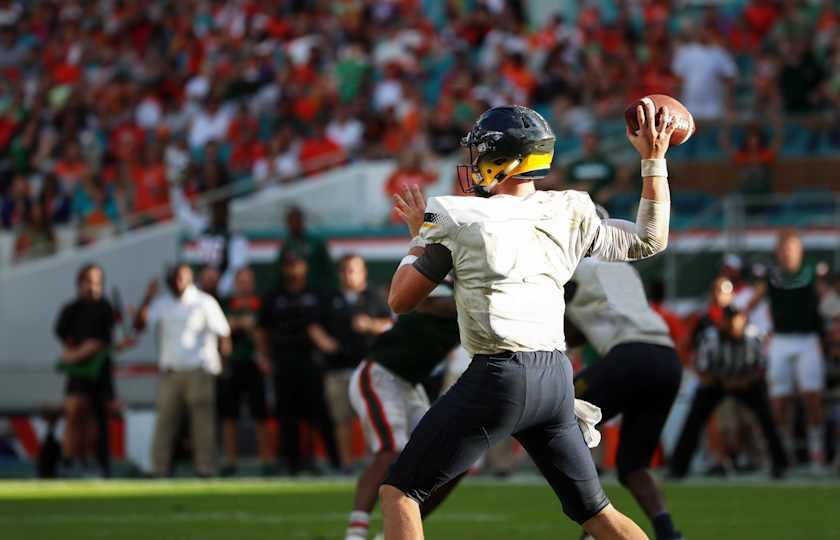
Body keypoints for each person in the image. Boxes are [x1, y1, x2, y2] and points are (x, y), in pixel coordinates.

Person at [381, 103, 676, 540]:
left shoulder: (454, 215)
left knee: (400, 492)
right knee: (597, 513)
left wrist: (418, 238)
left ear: (503, 158)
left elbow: (400, 299)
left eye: (481, 151)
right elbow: (650, 239)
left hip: (500, 376)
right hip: (555, 377)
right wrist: (654, 161)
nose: (474, 162)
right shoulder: (570, 209)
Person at [565, 256, 683, 540]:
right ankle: (668, 533)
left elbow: (569, 332)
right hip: (667, 358)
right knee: (633, 465)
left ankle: (596, 525)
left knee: (560, 415)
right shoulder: (623, 269)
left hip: (629, 356)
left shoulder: (570, 269)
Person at [344, 283, 461, 540]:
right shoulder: (439, 294)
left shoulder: (473, 308)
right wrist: (478, 298)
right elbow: (431, 303)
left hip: (410, 386)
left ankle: (391, 532)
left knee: (453, 458)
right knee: (390, 451)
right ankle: (355, 533)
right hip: (380, 375)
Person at [133, 263, 232, 477]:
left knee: (202, 423)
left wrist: (223, 366)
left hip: (200, 370)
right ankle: (159, 468)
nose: (178, 281)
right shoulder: (162, 303)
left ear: (190, 278)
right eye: (174, 277)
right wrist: (147, 297)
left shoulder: (204, 302)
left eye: (182, 277)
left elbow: (224, 334)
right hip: (171, 372)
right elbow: (139, 325)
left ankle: (206, 468)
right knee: (165, 422)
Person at [670, 307, 788, 479]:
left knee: (767, 419)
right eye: (730, 322)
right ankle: (678, 466)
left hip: (746, 382)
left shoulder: (752, 337)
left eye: (738, 322)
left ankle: (780, 464)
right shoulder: (710, 338)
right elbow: (701, 369)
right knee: (694, 420)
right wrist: (722, 381)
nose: (734, 326)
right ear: (722, 322)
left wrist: (743, 381)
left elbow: (761, 368)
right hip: (716, 382)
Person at [748, 230, 827, 472]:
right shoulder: (770, 277)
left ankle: (817, 454)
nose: (787, 254)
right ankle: (780, 455)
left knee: (812, 397)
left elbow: (829, 300)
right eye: (783, 249)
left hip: (808, 340)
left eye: (791, 249)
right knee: (779, 401)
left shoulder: (812, 274)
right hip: (780, 341)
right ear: (777, 253)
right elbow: (751, 305)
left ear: (800, 251)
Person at [256, 253, 341, 475]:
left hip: (312, 362)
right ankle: (292, 463)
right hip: (283, 362)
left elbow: (328, 326)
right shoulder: (274, 297)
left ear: (305, 267)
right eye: (289, 266)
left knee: (319, 412)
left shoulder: (317, 295)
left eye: (297, 265)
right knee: (286, 414)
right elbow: (262, 330)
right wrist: (263, 357)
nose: (293, 270)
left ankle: (331, 461)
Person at [314, 255, 392, 471]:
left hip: (368, 367)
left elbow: (390, 324)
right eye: (345, 270)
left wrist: (370, 325)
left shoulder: (375, 296)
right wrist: (324, 341)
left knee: (371, 418)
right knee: (341, 418)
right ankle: (346, 464)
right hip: (337, 367)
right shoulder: (330, 297)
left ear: (363, 272)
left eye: (353, 270)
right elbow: (314, 325)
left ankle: (374, 464)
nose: (348, 275)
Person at [54, 264, 130, 477]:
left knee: (98, 418)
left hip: (101, 373)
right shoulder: (71, 310)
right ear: (80, 284)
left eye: (98, 283)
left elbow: (113, 342)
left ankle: (95, 462)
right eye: (89, 282)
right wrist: (81, 352)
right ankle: (68, 462)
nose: (93, 287)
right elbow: (65, 344)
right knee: (74, 412)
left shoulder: (106, 309)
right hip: (79, 372)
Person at [218, 267, 272, 476]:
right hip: (232, 364)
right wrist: (239, 325)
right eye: (241, 281)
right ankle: (230, 460)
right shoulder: (227, 304)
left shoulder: (260, 304)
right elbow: (223, 330)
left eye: (248, 281)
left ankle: (266, 460)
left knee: (260, 414)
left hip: (255, 364)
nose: (244, 285)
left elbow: (263, 332)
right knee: (229, 415)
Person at [274, 206, 337, 290]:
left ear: (302, 221)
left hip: (316, 288)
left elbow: (328, 268)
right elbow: (279, 269)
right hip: (294, 290)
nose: (294, 224)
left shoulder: (316, 242)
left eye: (297, 221)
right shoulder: (287, 245)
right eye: (291, 222)